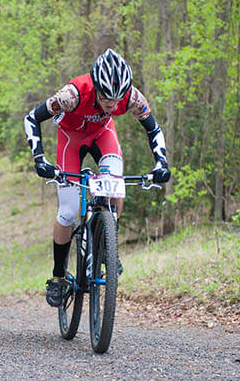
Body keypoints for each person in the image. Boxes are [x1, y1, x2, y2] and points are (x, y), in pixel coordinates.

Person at [23, 48, 172, 307]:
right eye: (106, 99)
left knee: (116, 187)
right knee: (68, 211)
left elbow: (154, 129)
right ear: (95, 87)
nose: (112, 105)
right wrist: (39, 158)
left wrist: (161, 163)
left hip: (103, 135)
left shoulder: (132, 97)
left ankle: (107, 246)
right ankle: (58, 277)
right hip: (70, 139)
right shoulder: (73, 94)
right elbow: (31, 119)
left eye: (117, 100)